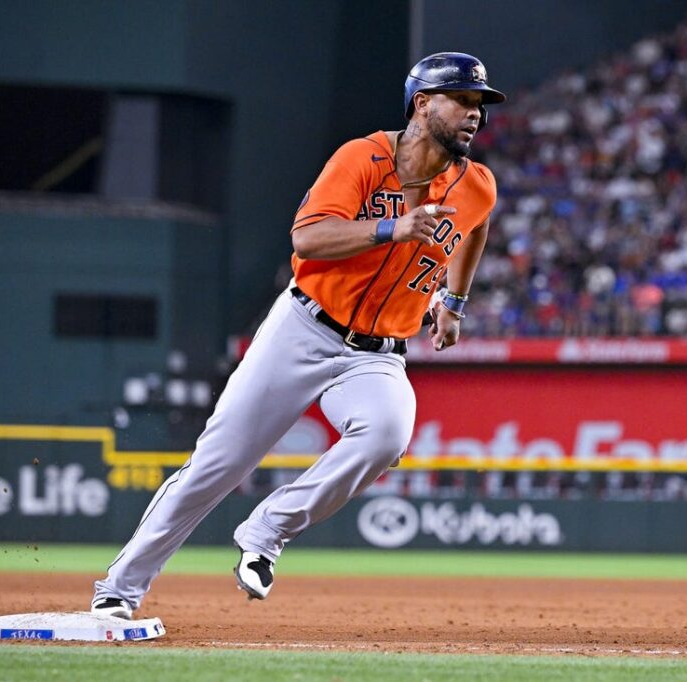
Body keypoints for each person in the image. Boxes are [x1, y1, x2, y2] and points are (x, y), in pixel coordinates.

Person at [91, 52, 505, 619]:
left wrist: (453, 302)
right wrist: (393, 228)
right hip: (304, 328)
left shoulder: (476, 185)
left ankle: (265, 531)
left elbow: (477, 229)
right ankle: (120, 588)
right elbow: (308, 240)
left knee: (387, 432)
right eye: (462, 99)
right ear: (422, 103)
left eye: (479, 104)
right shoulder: (362, 157)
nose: (474, 113)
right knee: (219, 463)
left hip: (378, 354)